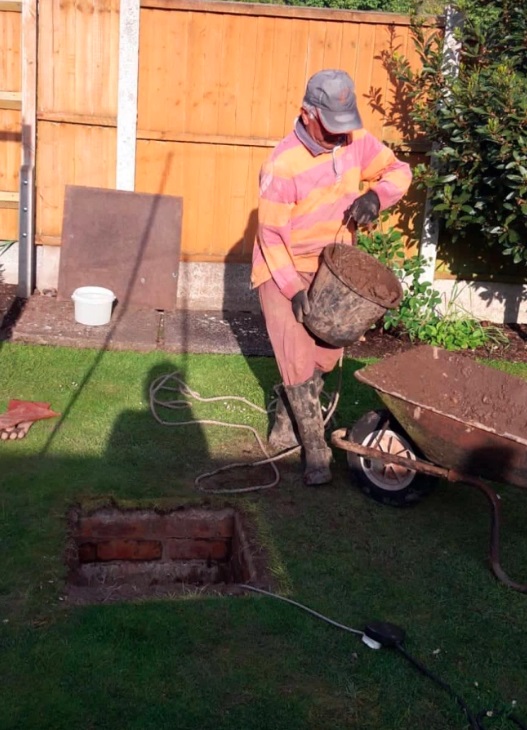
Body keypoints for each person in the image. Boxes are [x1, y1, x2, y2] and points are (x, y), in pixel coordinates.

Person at [251, 69, 412, 487]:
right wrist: (291, 288)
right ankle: (315, 447)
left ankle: (285, 408)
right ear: (307, 114)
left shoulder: (357, 143)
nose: (341, 134)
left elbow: (399, 171)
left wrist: (376, 196)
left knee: (324, 355)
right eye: (331, 124)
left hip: (333, 267)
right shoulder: (282, 165)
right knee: (296, 353)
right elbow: (269, 236)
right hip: (281, 263)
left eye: (345, 123)